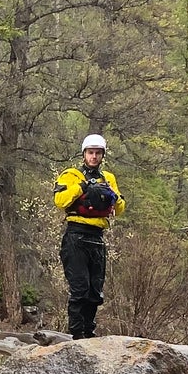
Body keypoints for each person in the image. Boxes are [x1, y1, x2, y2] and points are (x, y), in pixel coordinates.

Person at [54, 133, 124, 339]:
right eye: (90, 153)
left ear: (102, 155)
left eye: (98, 153)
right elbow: (60, 201)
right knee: (80, 289)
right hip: (76, 236)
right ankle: (76, 335)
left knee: (95, 292)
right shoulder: (71, 175)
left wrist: (113, 195)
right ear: (84, 154)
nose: (94, 157)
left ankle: (89, 333)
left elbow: (119, 209)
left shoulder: (108, 178)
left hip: (97, 237)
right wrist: (82, 187)